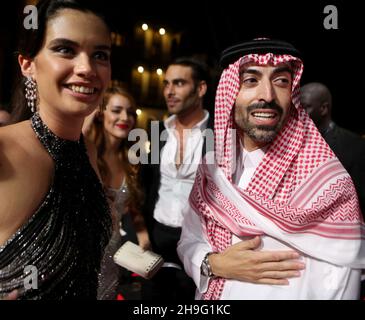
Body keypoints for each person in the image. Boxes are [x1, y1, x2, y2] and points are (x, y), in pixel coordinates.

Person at [177, 38, 365, 300]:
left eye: (281, 81)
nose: (267, 95)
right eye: (251, 80)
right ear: (230, 92)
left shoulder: (329, 184)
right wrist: (213, 264)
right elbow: (188, 241)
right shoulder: (213, 167)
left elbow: (344, 283)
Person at [0, 0, 112, 299]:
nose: (87, 68)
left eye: (100, 55)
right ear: (28, 64)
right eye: (65, 49)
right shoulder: (4, 149)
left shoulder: (87, 150)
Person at [140, 56, 213, 300]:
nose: (169, 91)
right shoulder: (157, 131)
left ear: (200, 88)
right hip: (157, 241)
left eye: (179, 83)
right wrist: (142, 232)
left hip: (199, 243)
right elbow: (146, 184)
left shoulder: (219, 133)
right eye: (166, 84)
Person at [83, 86, 150, 300]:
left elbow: (132, 205)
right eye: (117, 110)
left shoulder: (132, 160)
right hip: (79, 251)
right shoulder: (83, 149)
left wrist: (143, 236)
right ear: (100, 114)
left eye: (131, 112)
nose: (125, 117)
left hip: (111, 253)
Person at [300, 82, 365, 216]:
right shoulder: (293, 142)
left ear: (323, 109)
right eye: (297, 107)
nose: (299, 113)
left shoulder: (353, 145)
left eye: (305, 107)